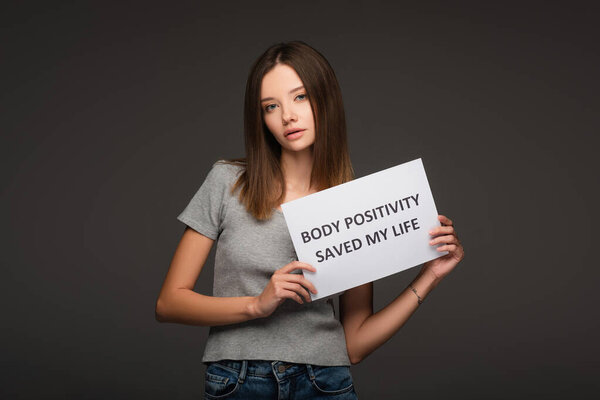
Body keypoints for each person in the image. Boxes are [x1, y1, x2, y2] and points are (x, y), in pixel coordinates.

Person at [155, 41, 465, 400]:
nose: (287, 115)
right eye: (271, 106)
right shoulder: (227, 181)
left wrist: (429, 277)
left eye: (300, 97)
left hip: (325, 383)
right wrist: (257, 303)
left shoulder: (355, 205)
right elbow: (169, 303)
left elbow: (355, 345)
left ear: (325, 100)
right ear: (262, 118)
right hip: (239, 380)